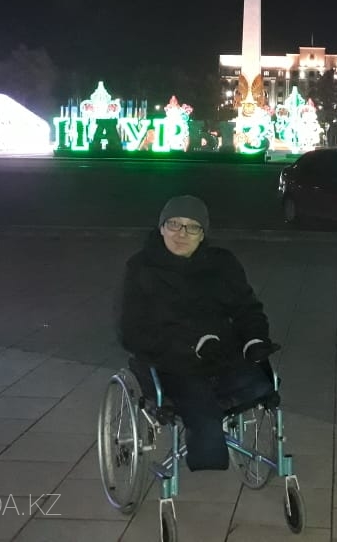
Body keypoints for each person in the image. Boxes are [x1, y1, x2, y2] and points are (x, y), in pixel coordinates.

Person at [117, 195, 276, 471]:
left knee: (263, 385)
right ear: (161, 228)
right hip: (169, 364)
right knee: (204, 421)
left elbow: (246, 308)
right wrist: (191, 345)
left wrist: (254, 339)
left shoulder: (222, 264)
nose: (182, 234)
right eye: (174, 224)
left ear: (203, 234)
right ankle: (207, 459)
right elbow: (131, 330)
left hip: (222, 358)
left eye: (192, 227)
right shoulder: (141, 268)